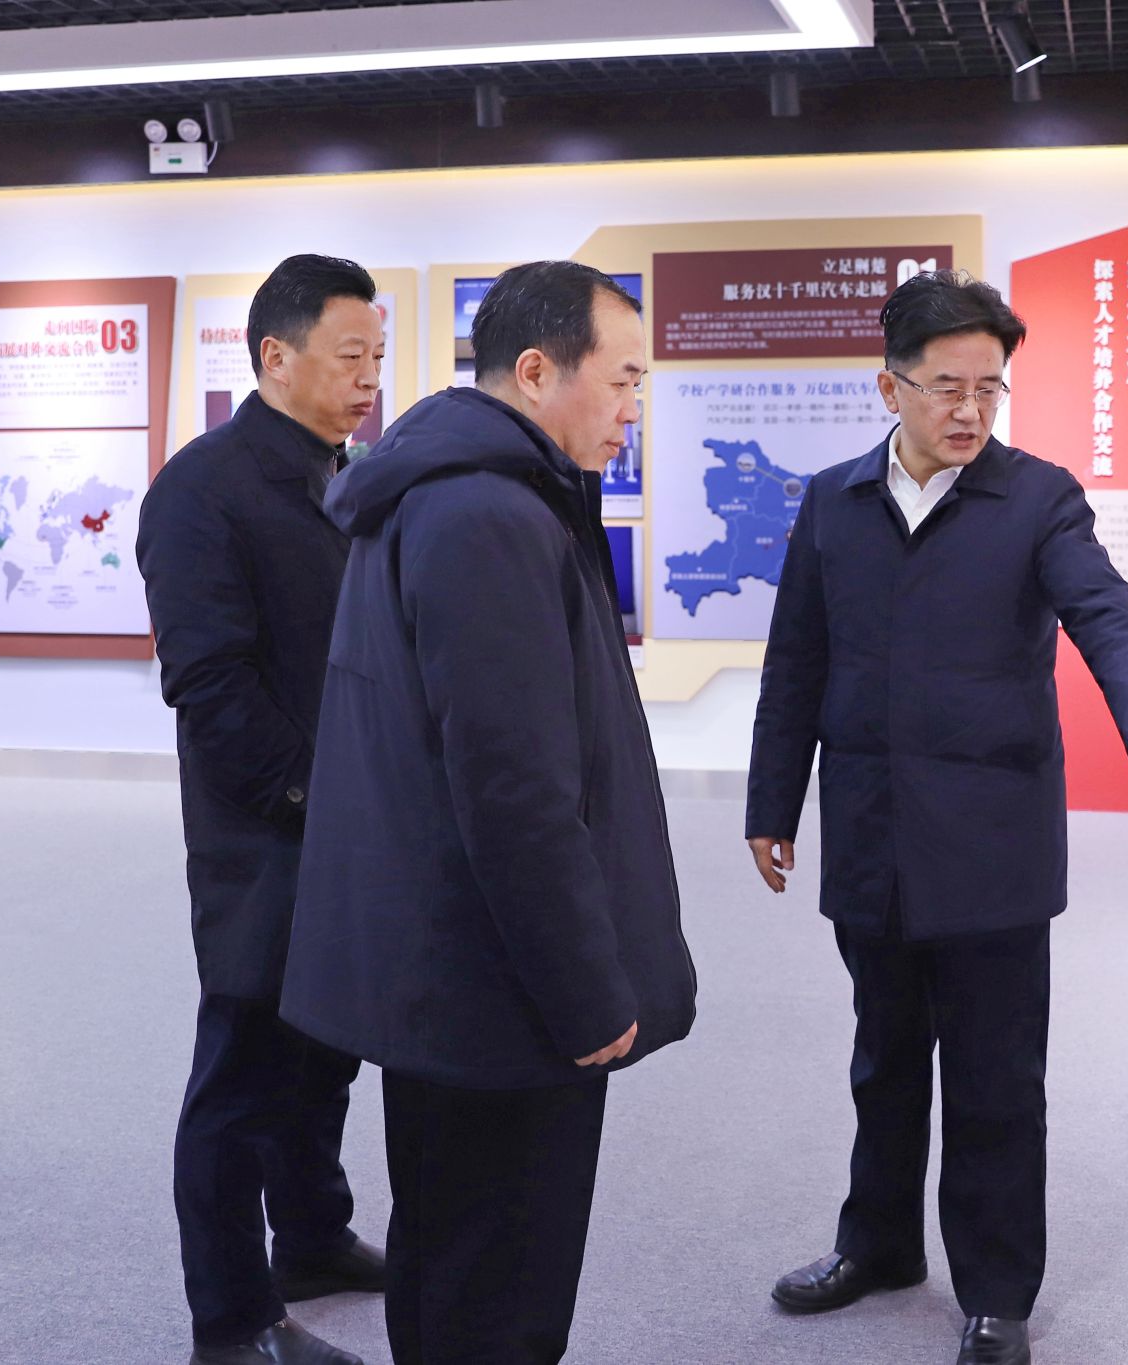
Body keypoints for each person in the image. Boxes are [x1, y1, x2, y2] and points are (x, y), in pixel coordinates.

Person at [747, 270, 1128, 1365]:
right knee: (882, 1059)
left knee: (995, 1080)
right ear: (890, 387)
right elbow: (797, 663)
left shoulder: (1038, 499)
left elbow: (1107, 616)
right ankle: (877, 1245)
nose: (970, 411)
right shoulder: (831, 502)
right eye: (946, 388)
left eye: (989, 388)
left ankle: (996, 1292)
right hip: (872, 831)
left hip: (991, 843)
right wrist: (772, 800)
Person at [281, 260, 698, 1365]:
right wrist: (586, 993)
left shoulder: (454, 493)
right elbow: (514, 789)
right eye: (622, 379)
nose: (633, 407)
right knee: (500, 1288)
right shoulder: (488, 515)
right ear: (536, 371)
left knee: (449, 1255)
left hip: (453, 970)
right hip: (503, 989)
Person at [137, 254, 389, 1365]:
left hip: (355, 825)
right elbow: (210, 686)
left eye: (377, 357)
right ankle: (232, 1320)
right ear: (274, 357)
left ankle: (316, 1238)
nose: (368, 378)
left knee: (327, 1049)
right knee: (241, 1076)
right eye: (350, 357)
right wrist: (310, 795)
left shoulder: (352, 479)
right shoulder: (202, 489)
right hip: (267, 833)